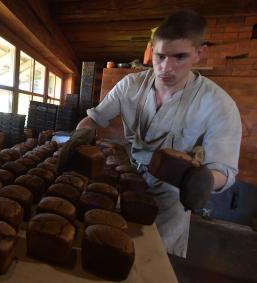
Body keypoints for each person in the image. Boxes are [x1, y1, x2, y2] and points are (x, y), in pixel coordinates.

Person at [73, 9, 242, 257]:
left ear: (200, 52)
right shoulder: (130, 85)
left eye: (179, 57)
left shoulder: (218, 103)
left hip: (172, 197)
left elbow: (225, 171)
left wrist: (204, 180)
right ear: (152, 49)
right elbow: (94, 119)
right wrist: (80, 135)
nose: (166, 67)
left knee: (155, 262)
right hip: (127, 182)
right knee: (112, 251)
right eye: (160, 56)